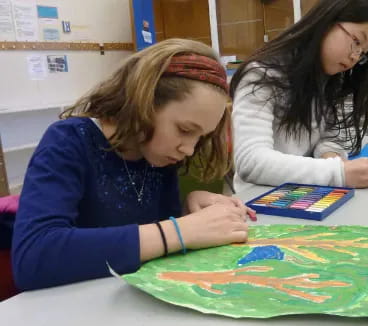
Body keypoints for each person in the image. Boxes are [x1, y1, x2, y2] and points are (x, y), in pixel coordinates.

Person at [12, 39, 253, 291]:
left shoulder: (156, 154)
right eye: (184, 130)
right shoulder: (68, 141)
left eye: (200, 137)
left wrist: (187, 210)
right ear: (143, 103)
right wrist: (179, 230)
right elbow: (33, 259)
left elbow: (153, 240)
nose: (189, 149)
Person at [231, 0, 368, 192]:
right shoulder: (262, 74)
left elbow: (334, 139)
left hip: (309, 191)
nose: (355, 56)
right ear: (326, 22)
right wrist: (337, 173)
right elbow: (251, 161)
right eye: (356, 41)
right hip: (260, 198)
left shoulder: (335, 81)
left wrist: (330, 155)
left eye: (363, 51)